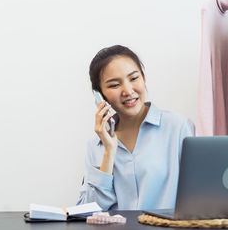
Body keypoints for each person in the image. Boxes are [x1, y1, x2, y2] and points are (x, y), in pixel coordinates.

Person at [77, 45, 195, 211]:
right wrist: (109, 152)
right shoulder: (96, 145)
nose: (128, 91)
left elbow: (200, 196)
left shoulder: (178, 128)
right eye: (114, 85)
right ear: (100, 95)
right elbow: (89, 211)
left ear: (143, 78)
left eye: (133, 78)